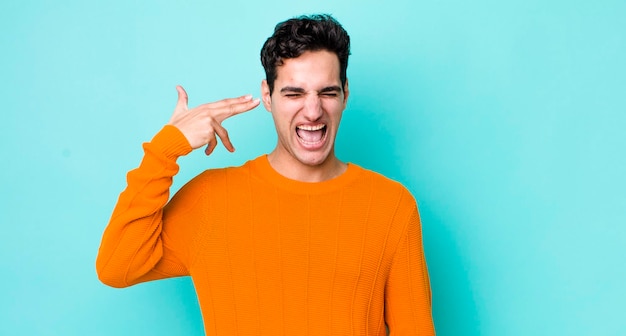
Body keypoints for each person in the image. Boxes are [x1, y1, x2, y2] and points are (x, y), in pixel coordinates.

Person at [96, 14, 435, 335]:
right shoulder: (210, 200)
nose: (313, 110)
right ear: (267, 96)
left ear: (345, 94)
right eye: (294, 93)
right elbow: (116, 265)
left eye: (327, 92)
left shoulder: (391, 206)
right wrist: (166, 149)